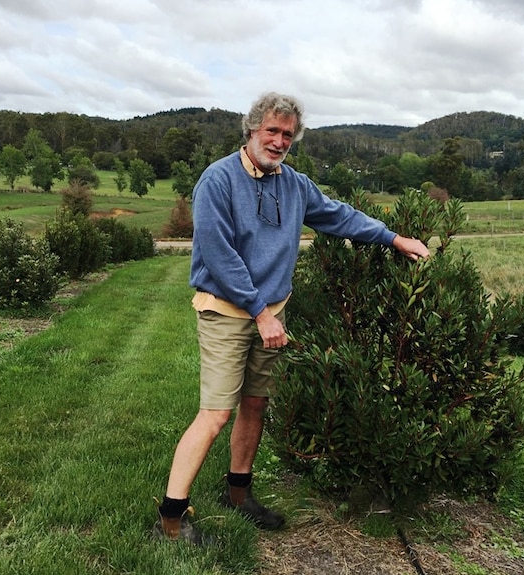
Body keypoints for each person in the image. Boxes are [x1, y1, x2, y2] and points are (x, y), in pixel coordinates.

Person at [154, 92, 430, 543]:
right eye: (272, 131)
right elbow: (220, 256)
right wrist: (261, 313)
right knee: (216, 413)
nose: (279, 141)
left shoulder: (294, 184)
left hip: (271, 314)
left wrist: (392, 237)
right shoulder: (217, 180)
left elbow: (337, 217)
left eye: (287, 134)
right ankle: (171, 519)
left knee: (256, 404)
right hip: (227, 312)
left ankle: (238, 496)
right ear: (251, 131)